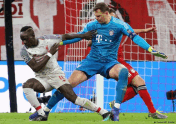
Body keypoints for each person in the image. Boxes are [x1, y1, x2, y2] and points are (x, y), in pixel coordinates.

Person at [30, 3, 168, 121]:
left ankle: (116, 108)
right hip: (92, 61)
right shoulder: (92, 25)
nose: (96, 19)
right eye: (95, 16)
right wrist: (60, 42)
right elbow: (78, 37)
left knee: (123, 71)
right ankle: (46, 111)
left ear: (107, 13)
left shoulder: (119, 25)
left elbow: (135, 37)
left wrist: (150, 49)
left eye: (98, 16)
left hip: (110, 62)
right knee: (66, 85)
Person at [84, 8, 167, 119]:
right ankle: (152, 112)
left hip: (121, 61)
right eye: (112, 17)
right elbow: (89, 43)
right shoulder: (103, 30)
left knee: (136, 87)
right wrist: (94, 39)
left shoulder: (117, 27)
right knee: (139, 82)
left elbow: (130, 31)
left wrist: (145, 30)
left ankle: (116, 103)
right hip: (114, 63)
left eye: (114, 18)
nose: (113, 20)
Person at [20, 26, 112, 121]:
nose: (25, 42)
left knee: (74, 99)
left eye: (26, 39)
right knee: (27, 85)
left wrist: (83, 35)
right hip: (42, 79)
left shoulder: (46, 39)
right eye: (23, 40)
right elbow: (36, 68)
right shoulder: (24, 51)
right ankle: (41, 114)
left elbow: (65, 36)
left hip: (56, 75)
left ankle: (103, 112)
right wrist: (50, 54)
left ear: (33, 35)